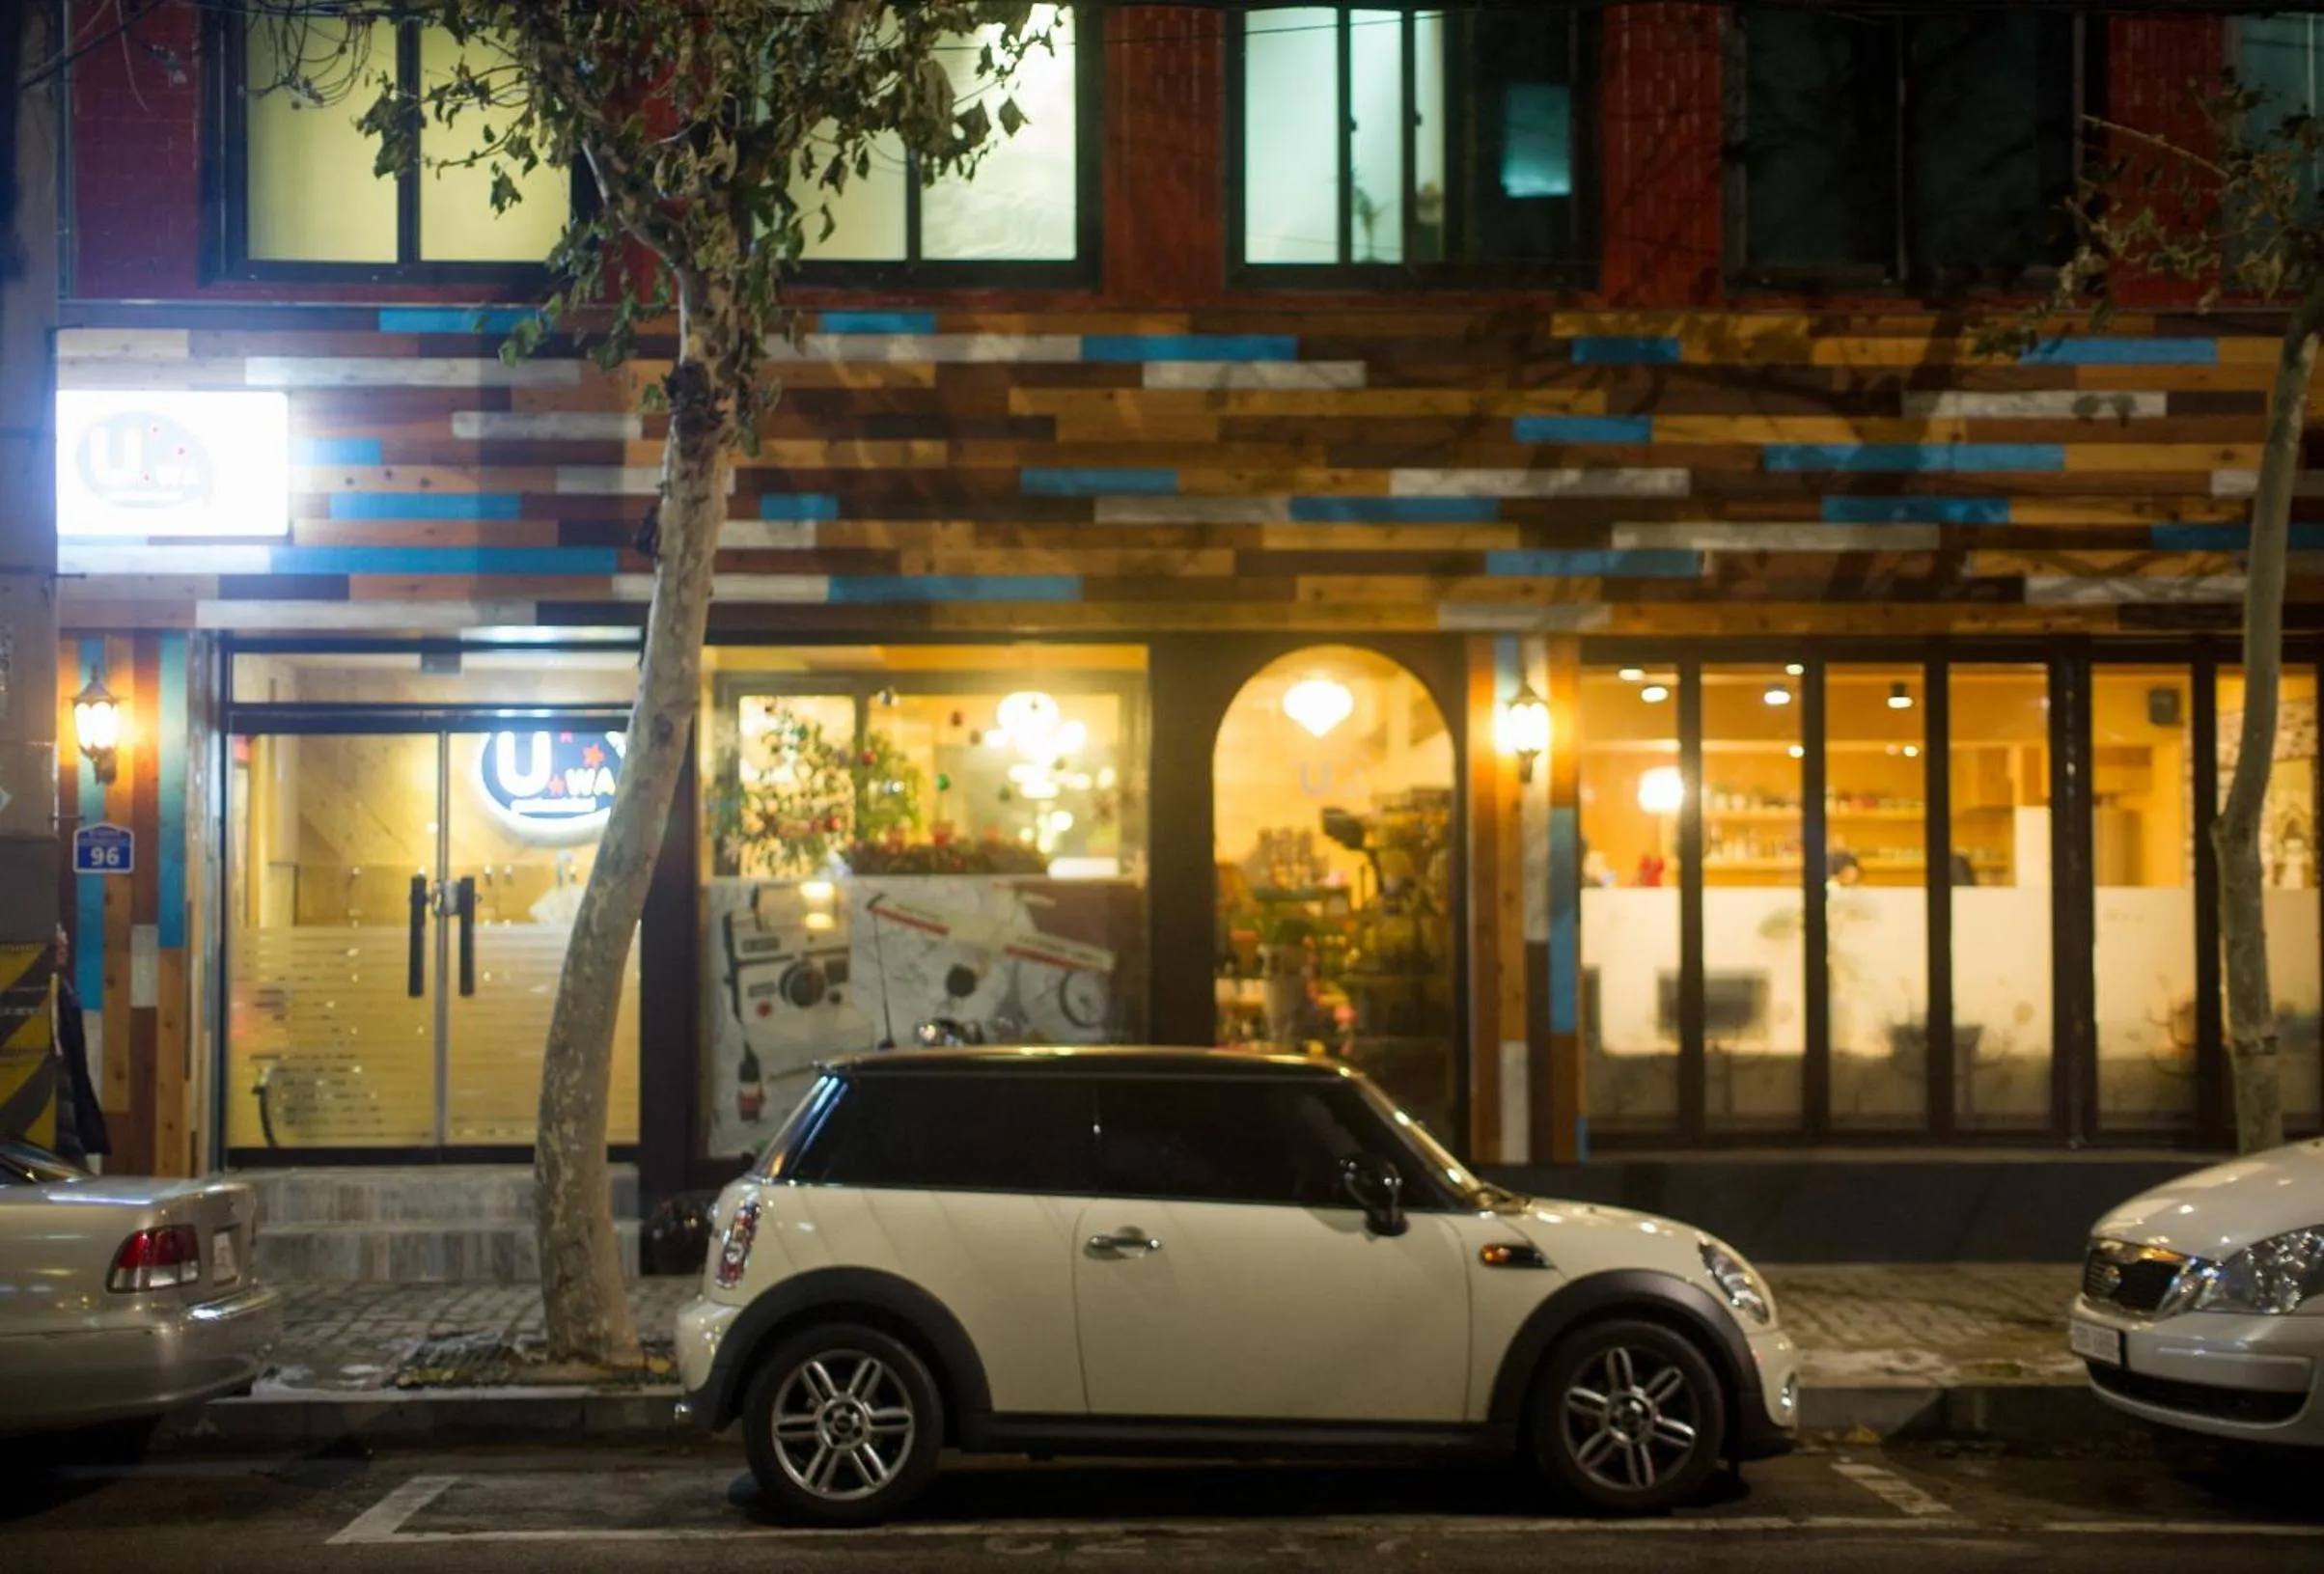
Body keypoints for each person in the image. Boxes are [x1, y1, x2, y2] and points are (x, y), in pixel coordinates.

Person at [50, 925, 110, 1170]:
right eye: (55, 932)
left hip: (66, 1118)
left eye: (64, 931)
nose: (63, 939)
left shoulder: (64, 996)